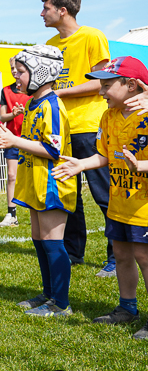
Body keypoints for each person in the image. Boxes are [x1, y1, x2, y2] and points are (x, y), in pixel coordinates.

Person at [52, 57, 148, 338]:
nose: (101, 91)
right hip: (120, 201)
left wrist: (142, 166)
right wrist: (81, 164)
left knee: (144, 256)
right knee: (121, 254)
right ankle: (127, 307)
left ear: (131, 86)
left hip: (144, 206)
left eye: (106, 85)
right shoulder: (108, 115)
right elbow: (104, 154)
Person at [0, 46, 77, 317]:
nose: (17, 77)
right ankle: (49, 295)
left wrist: (14, 141)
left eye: (21, 72)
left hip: (52, 183)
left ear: (41, 72)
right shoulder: (35, 103)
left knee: (52, 241)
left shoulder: (52, 105)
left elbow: (52, 149)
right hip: (34, 181)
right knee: (39, 238)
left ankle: (61, 303)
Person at [42, 0, 113, 274]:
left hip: (88, 124)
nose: (41, 13)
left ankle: (115, 256)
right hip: (61, 128)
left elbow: (103, 81)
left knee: (103, 192)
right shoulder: (48, 43)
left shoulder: (92, 36)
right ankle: (74, 251)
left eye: (46, 8)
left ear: (62, 10)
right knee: (69, 193)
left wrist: (61, 94)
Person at [0, 56, 30, 227]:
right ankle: (12, 214)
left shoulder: (32, 90)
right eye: (12, 68)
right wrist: (14, 114)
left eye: (18, 68)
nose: (14, 72)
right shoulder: (5, 91)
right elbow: (3, 116)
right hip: (12, 138)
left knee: (32, 176)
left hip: (31, 140)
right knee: (11, 176)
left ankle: (37, 211)